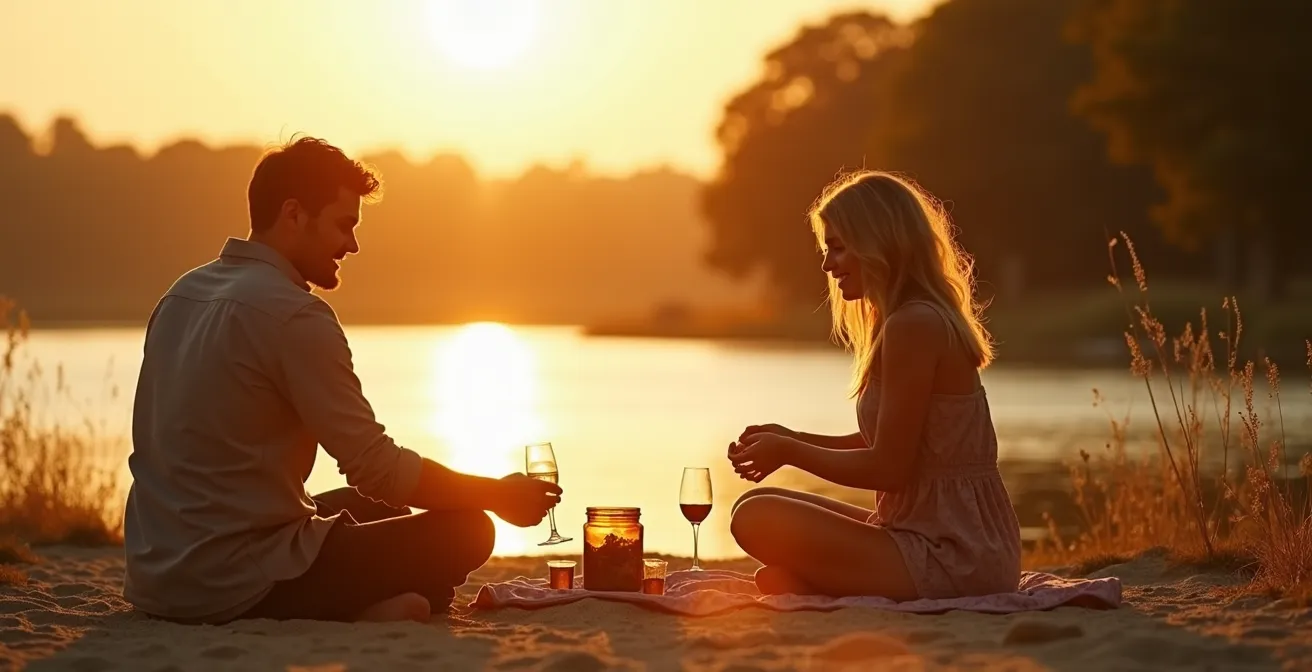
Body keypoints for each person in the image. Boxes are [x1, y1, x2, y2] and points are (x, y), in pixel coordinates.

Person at [122, 135, 563, 624]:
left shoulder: (181, 294)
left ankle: (383, 598)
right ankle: (359, 605)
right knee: (468, 530)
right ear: (293, 214)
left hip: (157, 574)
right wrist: (496, 494)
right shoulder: (295, 315)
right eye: (343, 225)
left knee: (368, 510)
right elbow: (376, 467)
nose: (351, 245)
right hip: (232, 581)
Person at [726, 170, 1021, 601]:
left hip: (955, 556)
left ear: (880, 244)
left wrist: (790, 453)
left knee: (755, 516)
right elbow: (893, 441)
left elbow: (889, 469)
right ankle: (827, 584)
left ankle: (832, 584)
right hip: (937, 536)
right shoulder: (906, 321)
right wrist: (793, 437)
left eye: (839, 248)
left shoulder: (914, 325)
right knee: (758, 503)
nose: (828, 265)